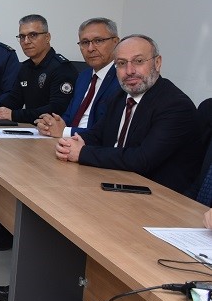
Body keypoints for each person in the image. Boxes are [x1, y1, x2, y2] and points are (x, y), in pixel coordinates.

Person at [55, 34, 202, 196]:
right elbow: (98, 134)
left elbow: (142, 159)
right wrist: (73, 143)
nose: (129, 71)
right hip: (117, 182)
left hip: (160, 196)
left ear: (157, 63)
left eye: (138, 61)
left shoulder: (176, 105)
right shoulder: (120, 95)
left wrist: (82, 153)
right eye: (121, 63)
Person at [0, 14, 78, 257]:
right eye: (22, 36)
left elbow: (57, 108)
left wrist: (15, 114)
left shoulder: (61, 69)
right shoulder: (25, 67)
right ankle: (7, 224)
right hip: (29, 137)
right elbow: (15, 97)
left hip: (52, 140)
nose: (27, 41)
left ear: (48, 37)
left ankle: (21, 235)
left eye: (33, 35)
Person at [35, 17, 120, 138]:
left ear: (115, 42)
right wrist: (52, 124)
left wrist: (65, 131)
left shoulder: (123, 79)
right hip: (67, 142)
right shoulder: (83, 76)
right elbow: (70, 116)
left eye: (98, 41)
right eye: (85, 42)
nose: (90, 48)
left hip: (92, 145)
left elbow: (108, 130)